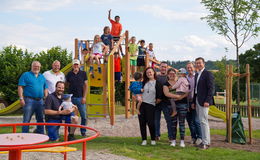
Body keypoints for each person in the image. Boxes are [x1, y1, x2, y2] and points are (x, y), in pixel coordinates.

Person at [18, 61, 48, 134]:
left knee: (40, 119)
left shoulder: (42, 76)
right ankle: (24, 135)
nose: (36, 68)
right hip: (29, 100)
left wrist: (46, 98)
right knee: (26, 119)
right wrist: (21, 98)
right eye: (35, 66)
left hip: (40, 101)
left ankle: (40, 135)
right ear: (31, 66)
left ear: (40, 67)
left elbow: (45, 88)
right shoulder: (26, 75)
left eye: (38, 66)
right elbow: (20, 87)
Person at [192, 57, 214, 150]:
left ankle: (206, 143)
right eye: (196, 63)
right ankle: (205, 142)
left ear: (204, 63)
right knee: (201, 121)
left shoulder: (208, 74)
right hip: (197, 100)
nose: (198, 64)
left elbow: (211, 88)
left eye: (200, 63)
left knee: (204, 121)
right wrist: (194, 101)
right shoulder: (197, 74)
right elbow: (195, 89)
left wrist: (207, 101)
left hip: (204, 101)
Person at [163, 68, 189, 147]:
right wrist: (178, 96)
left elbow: (188, 90)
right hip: (172, 106)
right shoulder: (166, 84)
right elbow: (167, 94)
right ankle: (173, 141)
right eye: (170, 73)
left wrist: (181, 97)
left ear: (176, 74)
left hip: (182, 104)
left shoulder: (180, 81)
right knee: (173, 124)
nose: (172, 75)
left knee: (182, 123)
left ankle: (182, 141)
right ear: (167, 75)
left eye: (173, 73)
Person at [138, 67, 163, 146]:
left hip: (151, 105)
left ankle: (153, 139)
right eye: (147, 72)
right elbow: (137, 91)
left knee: (151, 123)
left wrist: (153, 103)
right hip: (142, 104)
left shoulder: (157, 83)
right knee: (142, 123)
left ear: (153, 73)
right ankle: (144, 139)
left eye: (150, 72)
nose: (149, 73)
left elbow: (159, 97)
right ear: (146, 74)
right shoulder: (143, 82)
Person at [66, 59, 88, 137]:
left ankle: (83, 131)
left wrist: (84, 97)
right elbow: (67, 85)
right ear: (72, 65)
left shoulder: (83, 73)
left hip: (80, 97)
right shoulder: (69, 74)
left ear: (79, 65)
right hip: (71, 99)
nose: (76, 66)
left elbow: (86, 86)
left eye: (77, 64)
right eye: (74, 64)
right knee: (71, 116)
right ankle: (71, 133)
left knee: (84, 116)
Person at [154, 62, 174, 142]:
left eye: (165, 67)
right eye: (162, 67)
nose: (163, 68)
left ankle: (170, 136)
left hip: (166, 102)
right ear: (159, 67)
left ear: (167, 68)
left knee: (169, 120)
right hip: (157, 102)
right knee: (156, 120)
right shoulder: (156, 77)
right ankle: (156, 135)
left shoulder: (169, 77)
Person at [186, 62, 202, 145]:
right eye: (188, 68)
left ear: (194, 67)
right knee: (189, 121)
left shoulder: (197, 76)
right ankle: (193, 137)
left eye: (190, 67)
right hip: (187, 101)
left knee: (196, 120)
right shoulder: (185, 78)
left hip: (195, 101)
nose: (189, 69)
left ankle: (200, 137)